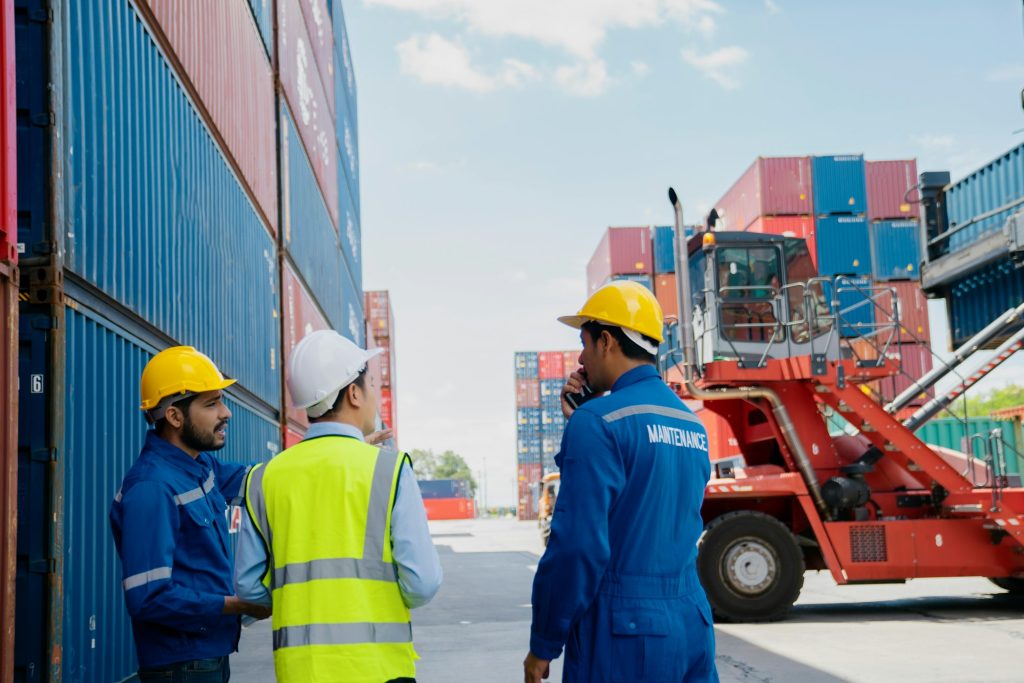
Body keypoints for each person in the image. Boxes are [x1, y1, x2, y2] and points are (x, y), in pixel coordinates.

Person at [524, 280, 718, 683]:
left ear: (606, 341)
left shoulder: (597, 424)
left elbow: (576, 547)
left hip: (627, 634)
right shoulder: (691, 425)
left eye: (584, 342)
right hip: (691, 625)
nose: (581, 357)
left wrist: (544, 641)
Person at [234, 330, 442, 683]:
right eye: (372, 384)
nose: (375, 395)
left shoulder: (263, 478)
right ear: (354, 392)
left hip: (301, 673)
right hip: (379, 671)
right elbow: (422, 584)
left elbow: (249, 587)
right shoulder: (388, 470)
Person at [110, 346, 271, 682]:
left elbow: (264, 482)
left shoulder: (200, 466)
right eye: (212, 403)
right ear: (174, 416)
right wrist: (238, 605)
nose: (226, 413)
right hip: (181, 667)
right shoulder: (152, 488)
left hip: (207, 656)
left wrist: (329, 454)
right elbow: (149, 598)